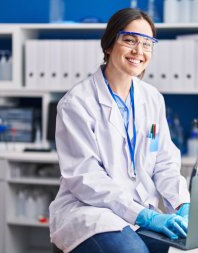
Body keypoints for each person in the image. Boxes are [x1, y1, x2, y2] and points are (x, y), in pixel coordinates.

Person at [49, 8, 190, 253]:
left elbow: (164, 161)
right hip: (91, 213)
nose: (139, 51)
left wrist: (181, 203)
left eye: (147, 44)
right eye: (129, 40)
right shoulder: (77, 104)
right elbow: (87, 179)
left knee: (181, 247)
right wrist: (144, 216)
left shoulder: (152, 98)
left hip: (139, 209)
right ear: (109, 45)